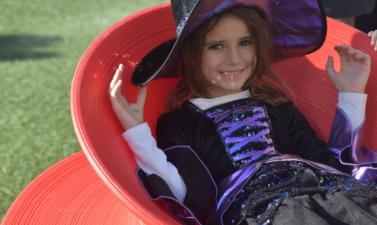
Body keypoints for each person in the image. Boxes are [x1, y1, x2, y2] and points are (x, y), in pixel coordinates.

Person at [109, 1, 377, 224]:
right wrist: (138, 133)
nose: (235, 59)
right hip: (265, 213)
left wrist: (351, 94)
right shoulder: (181, 121)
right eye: (217, 46)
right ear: (191, 54)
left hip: (331, 192)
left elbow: (331, 165)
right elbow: (187, 196)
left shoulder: (277, 104)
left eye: (245, 42)